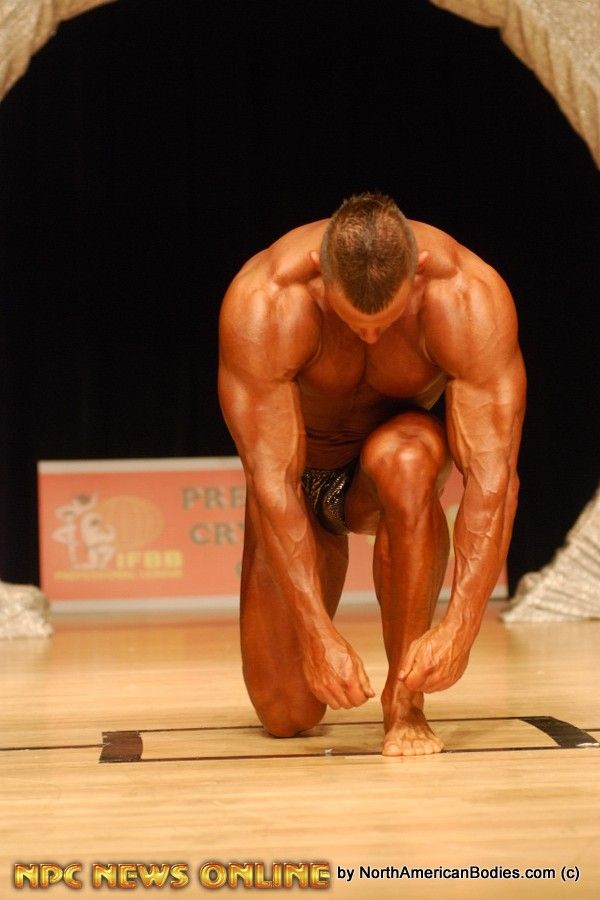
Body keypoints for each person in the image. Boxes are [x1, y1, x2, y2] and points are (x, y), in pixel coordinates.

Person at [218, 193, 526, 756]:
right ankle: (313, 655)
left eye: (384, 323)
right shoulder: (266, 302)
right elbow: (271, 481)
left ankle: (404, 704)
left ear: (418, 272)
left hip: (386, 470)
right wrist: (317, 634)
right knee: (286, 713)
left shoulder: (466, 297)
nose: (369, 338)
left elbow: (494, 477)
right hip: (300, 482)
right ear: (320, 271)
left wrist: (461, 626)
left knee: (407, 460)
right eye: (353, 322)